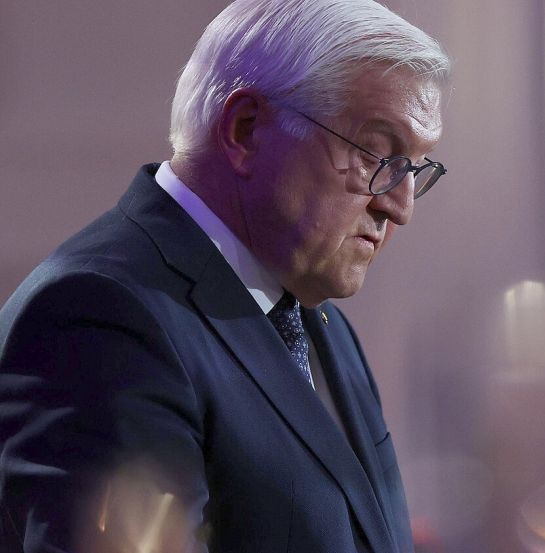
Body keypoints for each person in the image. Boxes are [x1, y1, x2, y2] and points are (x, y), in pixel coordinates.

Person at [0, 0, 449, 551]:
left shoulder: (317, 318)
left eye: (413, 168)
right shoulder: (99, 318)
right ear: (246, 129)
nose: (399, 207)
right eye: (376, 154)